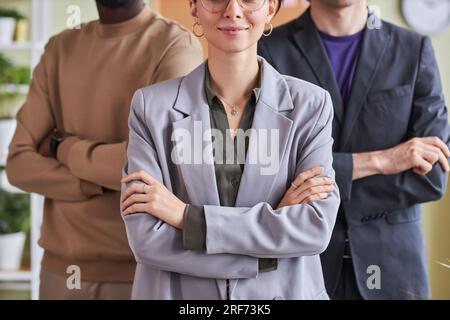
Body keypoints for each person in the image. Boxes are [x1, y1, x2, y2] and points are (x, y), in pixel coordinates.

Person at [120, 0, 340, 300]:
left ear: (271, 8)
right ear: (195, 7)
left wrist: (186, 217)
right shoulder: (150, 108)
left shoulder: (311, 106)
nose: (233, 10)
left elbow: (314, 227)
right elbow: (147, 240)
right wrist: (269, 248)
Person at [6, 0, 203, 299]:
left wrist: (63, 147)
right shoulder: (60, 48)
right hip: (60, 273)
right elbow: (19, 164)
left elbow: (157, 169)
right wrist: (96, 178)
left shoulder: (175, 45)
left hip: (139, 273)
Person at [258, 0, 450, 299]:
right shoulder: (269, 52)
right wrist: (383, 160)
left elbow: (432, 176)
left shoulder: (414, 50)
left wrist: (320, 188)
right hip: (304, 267)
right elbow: (268, 173)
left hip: (395, 272)